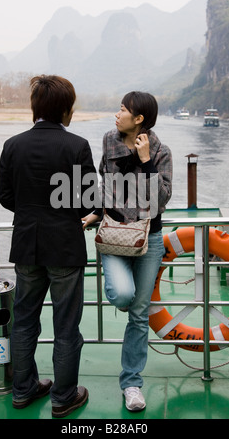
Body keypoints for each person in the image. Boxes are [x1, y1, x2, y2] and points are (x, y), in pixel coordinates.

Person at [0, 75, 98, 418]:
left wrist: (31, 214)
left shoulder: (13, 145)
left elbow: (6, 197)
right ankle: (63, 397)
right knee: (66, 325)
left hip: (26, 244)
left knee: (24, 319)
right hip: (65, 248)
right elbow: (87, 201)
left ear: (35, 107)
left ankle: (23, 391)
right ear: (64, 110)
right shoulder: (77, 146)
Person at [83, 91, 172, 412]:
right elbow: (101, 184)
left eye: (122, 110)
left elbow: (159, 201)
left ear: (139, 119)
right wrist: (94, 212)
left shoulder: (161, 151)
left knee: (138, 314)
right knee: (123, 295)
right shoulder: (109, 141)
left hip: (149, 238)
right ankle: (126, 295)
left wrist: (146, 161)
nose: (116, 114)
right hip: (113, 235)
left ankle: (131, 384)